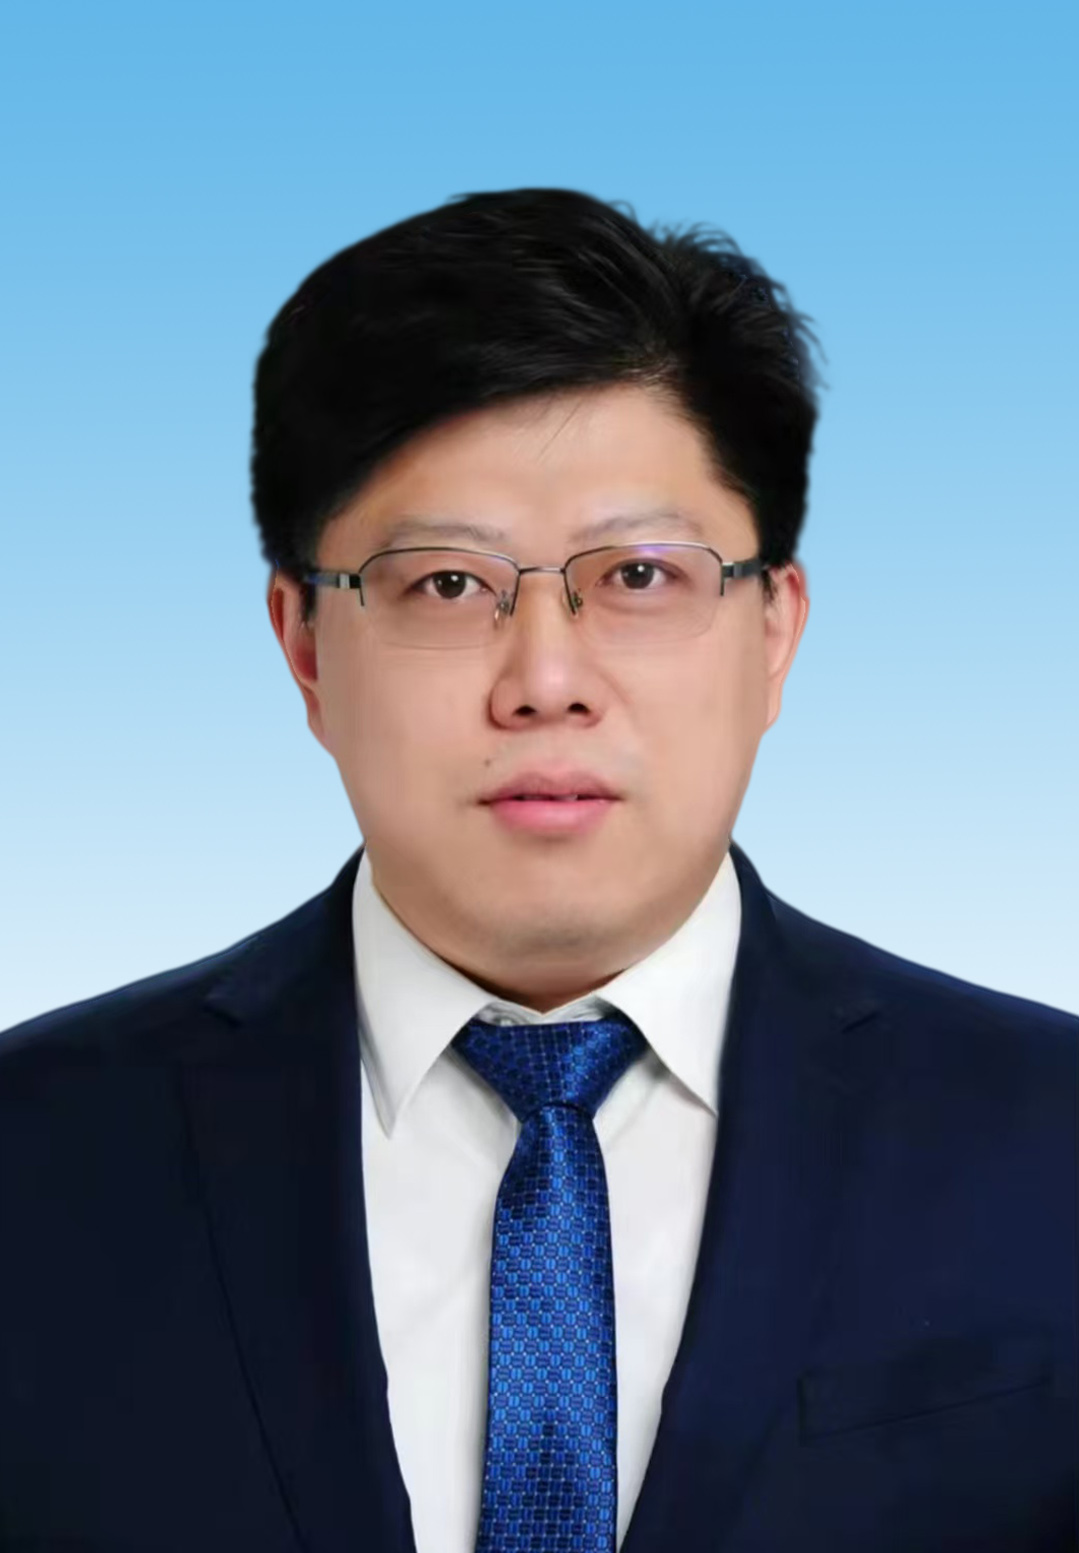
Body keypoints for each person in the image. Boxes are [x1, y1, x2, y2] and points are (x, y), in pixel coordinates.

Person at [0, 187, 1074, 1553]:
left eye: (640, 575)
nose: (547, 680)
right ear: (306, 647)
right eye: (447, 584)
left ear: (774, 632)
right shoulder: (36, 1159)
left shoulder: (1051, 1142)